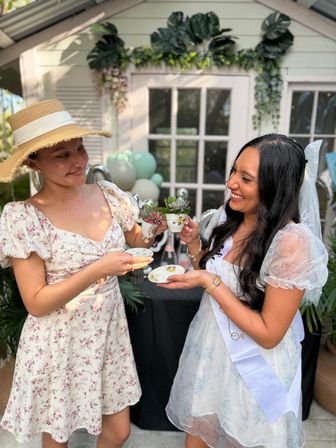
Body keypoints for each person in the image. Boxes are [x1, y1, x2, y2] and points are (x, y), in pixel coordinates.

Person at [0, 99, 163, 448]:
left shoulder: (106, 193)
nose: (79, 161)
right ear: (33, 162)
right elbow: (36, 303)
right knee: (59, 436)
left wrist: (150, 229)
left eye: (80, 148)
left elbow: (133, 238)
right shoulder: (23, 217)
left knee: (118, 432)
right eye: (62, 155)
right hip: (58, 341)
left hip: (107, 334)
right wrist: (98, 270)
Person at [159, 134, 328, 448]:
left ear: (274, 186)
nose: (231, 182)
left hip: (255, 366)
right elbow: (211, 274)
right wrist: (196, 245)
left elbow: (268, 333)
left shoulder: (291, 243)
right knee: (196, 441)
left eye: (246, 178)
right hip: (212, 350)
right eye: (234, 171)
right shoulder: (231, 218)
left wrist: (210, 284)